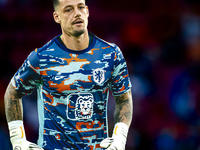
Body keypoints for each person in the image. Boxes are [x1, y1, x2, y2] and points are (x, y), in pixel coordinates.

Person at [4, 0, 133, 149]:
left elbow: (124, 98)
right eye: (68, 10)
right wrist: (17, 139)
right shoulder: (42, 57)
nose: (77, 13)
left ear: (87, 11)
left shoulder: (111, 54)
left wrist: (120, 137)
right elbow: (12, 92)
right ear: (56, 17)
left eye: (80, 7)